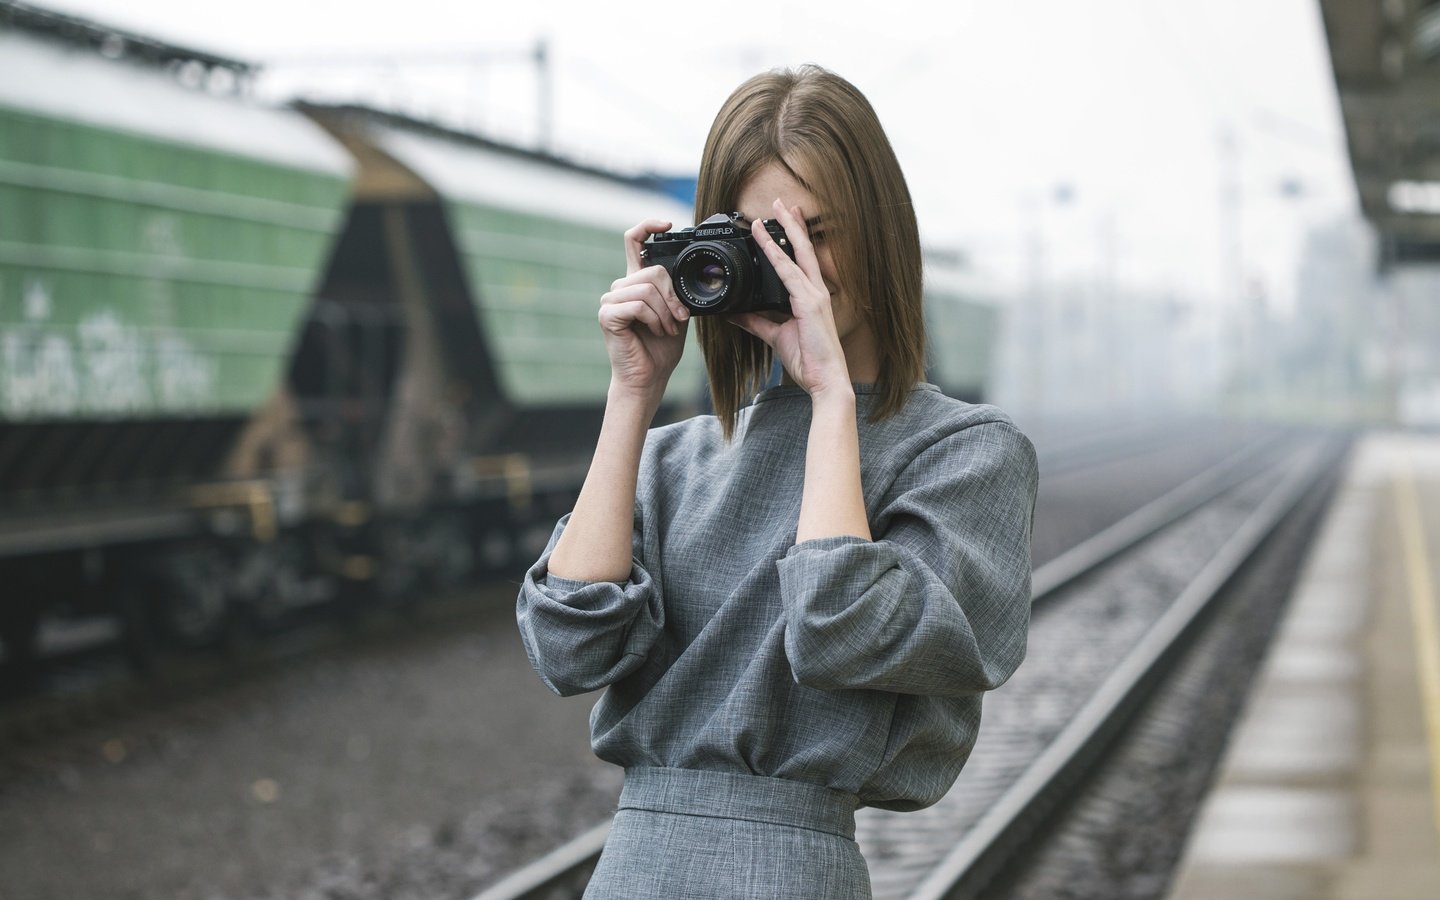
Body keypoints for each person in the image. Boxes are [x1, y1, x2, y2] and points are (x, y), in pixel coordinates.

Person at [516, 64, 1038, 899]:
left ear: (884, 233)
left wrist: (832, 396)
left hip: (795, 869)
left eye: (818, 233)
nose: (805, 272)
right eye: (766, 241)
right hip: (632, 870)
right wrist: (632, 393)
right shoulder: (676, 457)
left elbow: (839, 628)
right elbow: (566, 648)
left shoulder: (967, 455)